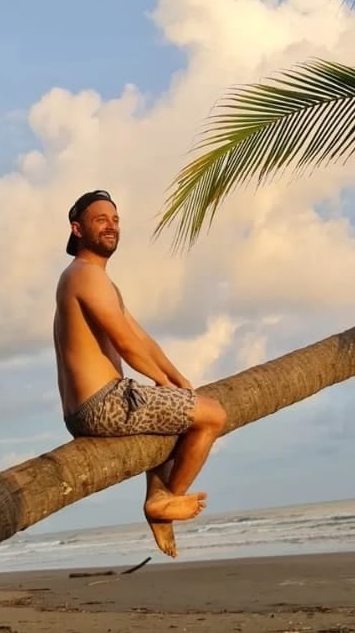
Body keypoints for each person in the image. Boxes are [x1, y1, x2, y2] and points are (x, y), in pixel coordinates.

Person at [53, 189, 227, 558]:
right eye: (100, 220)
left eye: (115, 220)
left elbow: (140, 336)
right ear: (77, 228)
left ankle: (158, 495)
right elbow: (127, 347)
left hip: (91, 406)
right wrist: (165, 385)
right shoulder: (84, 276)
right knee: (213, 416)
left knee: (175, 411)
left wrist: (176, 378)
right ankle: (163, 502)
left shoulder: (97, 280)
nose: (111, 226)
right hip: (103, 403)